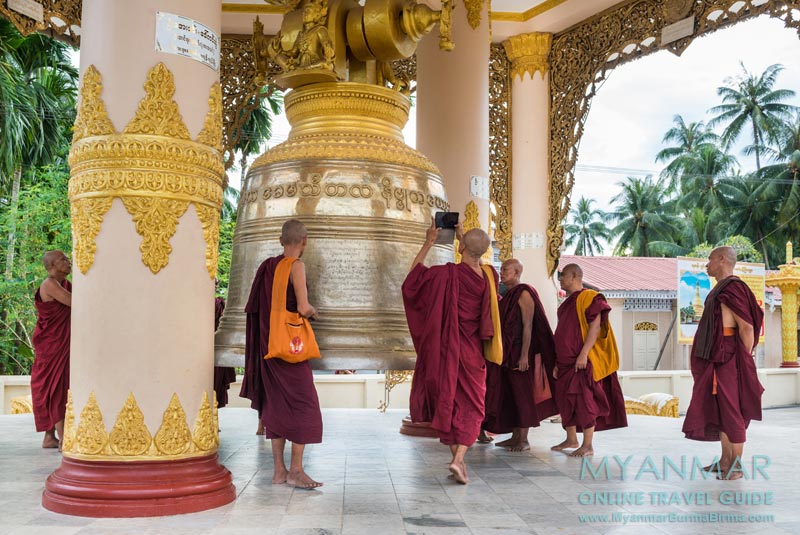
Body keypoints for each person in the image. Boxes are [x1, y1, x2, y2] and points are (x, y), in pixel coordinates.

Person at [402, 219, 500, 484]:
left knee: (449, 403)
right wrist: (463, 238)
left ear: (460, 248)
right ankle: (458, 460)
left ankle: (458, 460)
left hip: (445, 352)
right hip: (472, 354)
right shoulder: (490, 277)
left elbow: (412, 281)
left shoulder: (447, 275)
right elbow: (473, 257)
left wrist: (429, 242)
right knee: (473, 407)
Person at [240, 219, 323, 489]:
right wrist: (313, 311)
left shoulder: (268, 267)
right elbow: (302, 306)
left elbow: (256, 308)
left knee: (275, 405)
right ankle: (296, 470)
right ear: (305, 241)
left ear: (280, 240)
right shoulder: (296, 266)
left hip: (269, 348)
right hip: (291, 349)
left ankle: (279, 471)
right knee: (305, 404)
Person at [682, 246, 764, 480]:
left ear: (721, 259)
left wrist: (742, 358)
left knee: (732, 410)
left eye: (709, 260)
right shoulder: (720, 289)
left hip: (728, 358)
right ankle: (725, 461)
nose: (707, 265)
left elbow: (747, 327)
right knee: (720, 410)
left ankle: (736, 467)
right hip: (717, 357)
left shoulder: (733, 288)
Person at [551, 263, 627, 457]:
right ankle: (571, 438)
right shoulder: (568, 302)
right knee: (565, 400)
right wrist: (558, 362)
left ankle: (587, 445)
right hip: (565, 362)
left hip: (582, 361)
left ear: (575, 276)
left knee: (585, 401)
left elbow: (595, 327)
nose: (560, 279)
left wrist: (584, 353)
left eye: (563, 275)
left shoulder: (590, 297)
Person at [483, 259, 558, 452]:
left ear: (516, 272)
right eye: (501, 269)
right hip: (506, 352)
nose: (502, 272)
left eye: (506, 270)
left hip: (519, 352)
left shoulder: (524, 292)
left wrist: (524, 356)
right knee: (509, 394)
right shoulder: (506, 295)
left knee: (522, 394)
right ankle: (514, 436)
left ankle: (523, 439)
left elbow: (528, 325)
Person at [31, 250, 72, 449]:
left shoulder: (65, 284)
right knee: (56, 387)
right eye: (63, 259)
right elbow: (74, 302)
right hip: (52, 344)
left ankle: (49, 437)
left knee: (56, 385)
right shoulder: (50, 284)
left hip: (59, 341)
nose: (68, 261)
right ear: (52, 266)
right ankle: (64, 438)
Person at [213, 281, 236, 410]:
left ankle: (215, 421)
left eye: (217, 283)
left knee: (217, 387)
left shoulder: (220, 304)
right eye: (214, 283)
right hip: (202, 347)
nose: (215, 285)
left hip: (217, 347)